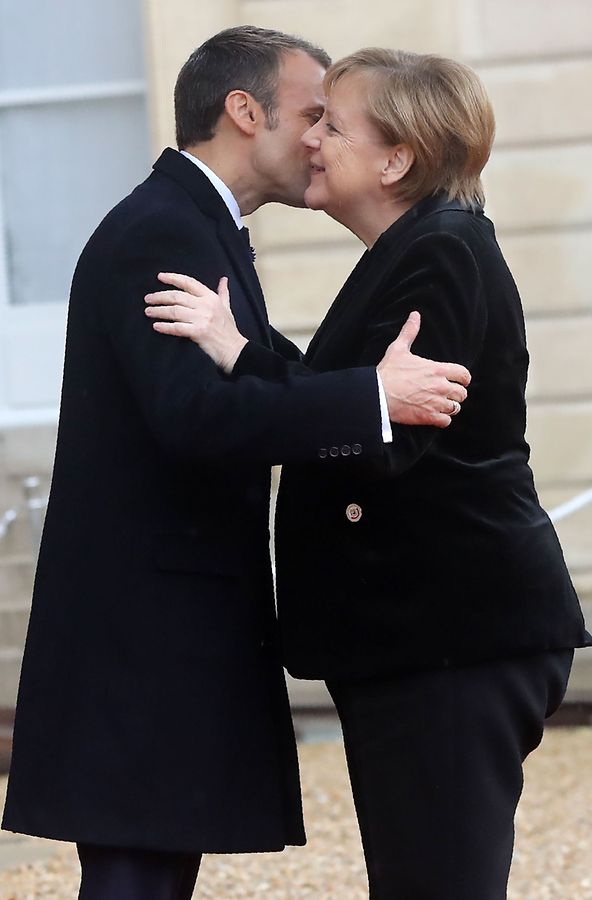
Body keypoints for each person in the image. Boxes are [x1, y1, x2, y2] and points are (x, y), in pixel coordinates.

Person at [1, 29, 472, 900]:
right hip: (143, 639)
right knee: (135, 877)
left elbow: (243, 378)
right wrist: (371, 397)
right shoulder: (165, 231)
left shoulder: (194, 224)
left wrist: (355, 388)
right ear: (244, 112)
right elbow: (195, 417)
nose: (319, 139)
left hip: (158, 630)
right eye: (310, 114)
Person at [147, 48, 592, 899]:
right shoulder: (416, 247)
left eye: (333, 124)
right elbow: (353, 396)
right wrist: (247, 345)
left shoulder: (445, 253)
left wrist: (238, 352)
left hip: (454, 637)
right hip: (423, 637)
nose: (310, 138)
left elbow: (387, 433)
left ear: (397, 159)